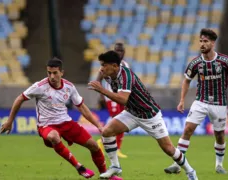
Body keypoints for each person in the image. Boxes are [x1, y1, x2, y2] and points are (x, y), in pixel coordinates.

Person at [0, 58, 122, 180]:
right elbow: (19, 99)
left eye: (55, 73)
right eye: (49, 73)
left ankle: (106, 176)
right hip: (46, 126)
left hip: (66, 122)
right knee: (54, 137)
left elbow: (82, 107)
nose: (52, 76)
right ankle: (79, 167)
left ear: (61, 72)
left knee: (94, 146)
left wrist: (99, 126)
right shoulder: (40, 86)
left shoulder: (69, 87)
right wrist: (10, 121)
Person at [88, 51, 198, 180]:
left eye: (104, 65)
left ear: (114, 66)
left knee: (168, 149)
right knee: (107, 132)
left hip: (149, 115)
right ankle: (115, 166)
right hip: (132, 112)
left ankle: (190, 171)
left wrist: (102, 90)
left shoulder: (126, 75)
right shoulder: (107, 75)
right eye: (101, 64)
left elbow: (122, 99)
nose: (101, 68)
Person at [164, 29, 227, 174]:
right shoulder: (196, 63)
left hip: (219, 103)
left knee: (219, 135)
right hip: (201, 101)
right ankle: (177, 163)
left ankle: (219, 165)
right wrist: (181, 101)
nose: (202, 44)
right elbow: (186, 81)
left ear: (213, 43)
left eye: (205, 41)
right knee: (187, 129)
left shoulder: (224, 61)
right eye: (201, 41)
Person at [97, 43, 129, 158]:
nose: (119, 53)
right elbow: (98, 80)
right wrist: (101, 95)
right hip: (111, 98)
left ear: (124, 52)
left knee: (122, 121)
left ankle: (115, 147)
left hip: (122, 97)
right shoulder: (107, 65)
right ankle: (103, 141)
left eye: (121, 51)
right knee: (118, 120)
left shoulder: (125, 65)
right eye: (117, 51)